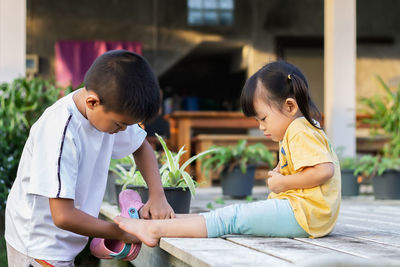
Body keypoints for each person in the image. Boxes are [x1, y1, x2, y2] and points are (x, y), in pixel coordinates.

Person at [113, 61, 341, 247]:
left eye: (263, 118)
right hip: (307, 215)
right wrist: (281, 174)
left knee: (231, 219)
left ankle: (154, 229)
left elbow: (324, 170)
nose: (261, 126)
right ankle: (161, 222)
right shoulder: (301, 129)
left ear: (290, 107)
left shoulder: (299, 129)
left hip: (304, 215)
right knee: (226, 215)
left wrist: (283, 183)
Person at [5, 50, 175, 266]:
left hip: (62, 241)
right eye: (119, 125)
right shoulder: (60, 132)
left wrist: (157, 195)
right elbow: (63, 216)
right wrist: (121, 231)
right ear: (93, 102)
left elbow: (141, 146)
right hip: (39, 245)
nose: (123, 131)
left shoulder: (110, 109)